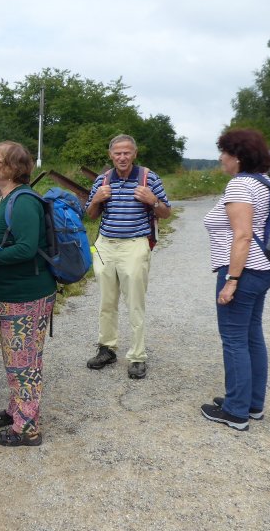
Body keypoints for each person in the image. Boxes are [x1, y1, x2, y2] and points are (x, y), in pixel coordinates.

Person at [0, 141, 56, 447]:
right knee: (15, 358)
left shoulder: (24, 202)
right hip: (12, 295)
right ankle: (17, 410)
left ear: (11, 168)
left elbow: (26, 248)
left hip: (26, 297)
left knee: (25, 361)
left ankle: (27, 428)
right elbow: (8, 239)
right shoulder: (8, 199)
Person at [201, 128, 270, 431]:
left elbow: (243, 236)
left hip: (243, 272)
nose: (221, 158)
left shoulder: (240, 186)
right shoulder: (265, 183)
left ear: (237, 156)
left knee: (234, 341)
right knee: (251, 336)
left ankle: (236, 411)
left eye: (224, 153)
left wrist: (231, 280)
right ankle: (253, 404)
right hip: (264, 270)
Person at [85, 134, 171, 379]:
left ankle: (137, 356)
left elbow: (165, 212)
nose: (122, 157)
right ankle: (107, 348)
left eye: (127, 153)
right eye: (117, 153)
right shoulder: (103, 180)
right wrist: (97, 200)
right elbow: (90, 215)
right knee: (106, 301)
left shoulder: (149, 177)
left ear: (135, 154)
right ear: (110, 155)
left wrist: (153, 200)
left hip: (135, 244)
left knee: (134, 302)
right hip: (104, 246)